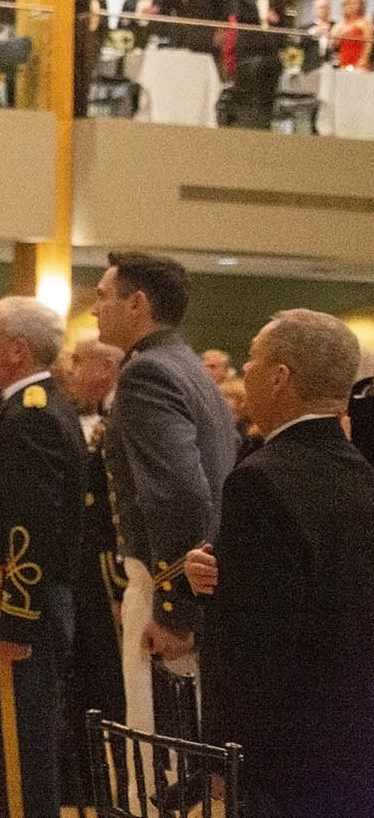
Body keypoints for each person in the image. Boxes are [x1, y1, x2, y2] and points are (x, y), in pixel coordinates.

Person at [198, 309, 374, 815]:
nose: (242, 373)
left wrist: (221, 753)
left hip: (284, 751)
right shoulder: (359, 471)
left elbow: (250, 642)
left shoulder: (263, 480)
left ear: (280, 378)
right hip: (353, 735)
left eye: (252, 360)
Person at [0, 297, 85, 818]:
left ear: (17, 349)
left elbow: (33, 526)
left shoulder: (34, 416)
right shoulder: (21, 407)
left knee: (17, 746)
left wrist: (17, 621)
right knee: (8, 746)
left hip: (7, 594)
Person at [91, 250, 235, 737]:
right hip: (185, 573)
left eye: (103, 296)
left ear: (138, 304)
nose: (93, 309)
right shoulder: (184, 363)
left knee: (160, 756)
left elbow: (180, 496)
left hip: (165, 580)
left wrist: (173, 609)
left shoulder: (147, 372)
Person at [60, 336, 126, 803]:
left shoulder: (121, 415)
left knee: (108, 681)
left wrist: (121, 584)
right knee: (87, 680)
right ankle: (87, 785)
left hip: (108, 571)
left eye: (79, 362)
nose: (70, 370)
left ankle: (113, 788)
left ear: (106, 368)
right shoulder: (106, 413)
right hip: (88, 565)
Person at [230, 0, 289, 130]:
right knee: (247, 91)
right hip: (248, 52)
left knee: (269, 92)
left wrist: (282, 49)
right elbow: (240, 18)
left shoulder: (278, 1)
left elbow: (284, 27)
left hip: (271, 54)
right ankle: (246, 126)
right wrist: (263, 16)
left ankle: (265, 125)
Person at [75, 0, 107, 117]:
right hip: (79, 35)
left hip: (94, 35)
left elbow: (105, 12)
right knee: (78, 75)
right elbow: (77, 1)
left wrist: (103, 37)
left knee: (89, 74)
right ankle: (77, 110)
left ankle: (84, 109)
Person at [332, 0, 372, 70]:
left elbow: (369, 43)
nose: (351, 6)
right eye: (348, 3)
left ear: (360, 6)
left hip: (360, 62)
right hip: (343, 61)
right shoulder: (339, 25)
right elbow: (334, 44)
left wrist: (363, 59)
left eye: (355, 3)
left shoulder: (364, 22)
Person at [301, 0, 333, 72]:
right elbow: (301, 45)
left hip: (331, 68)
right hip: (310, 67)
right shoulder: (305, 28)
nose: (323, 10)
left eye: (325, 7)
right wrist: (313, 33)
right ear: (314, 10)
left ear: (329, 9)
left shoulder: (336, 26)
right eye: (320, 7)